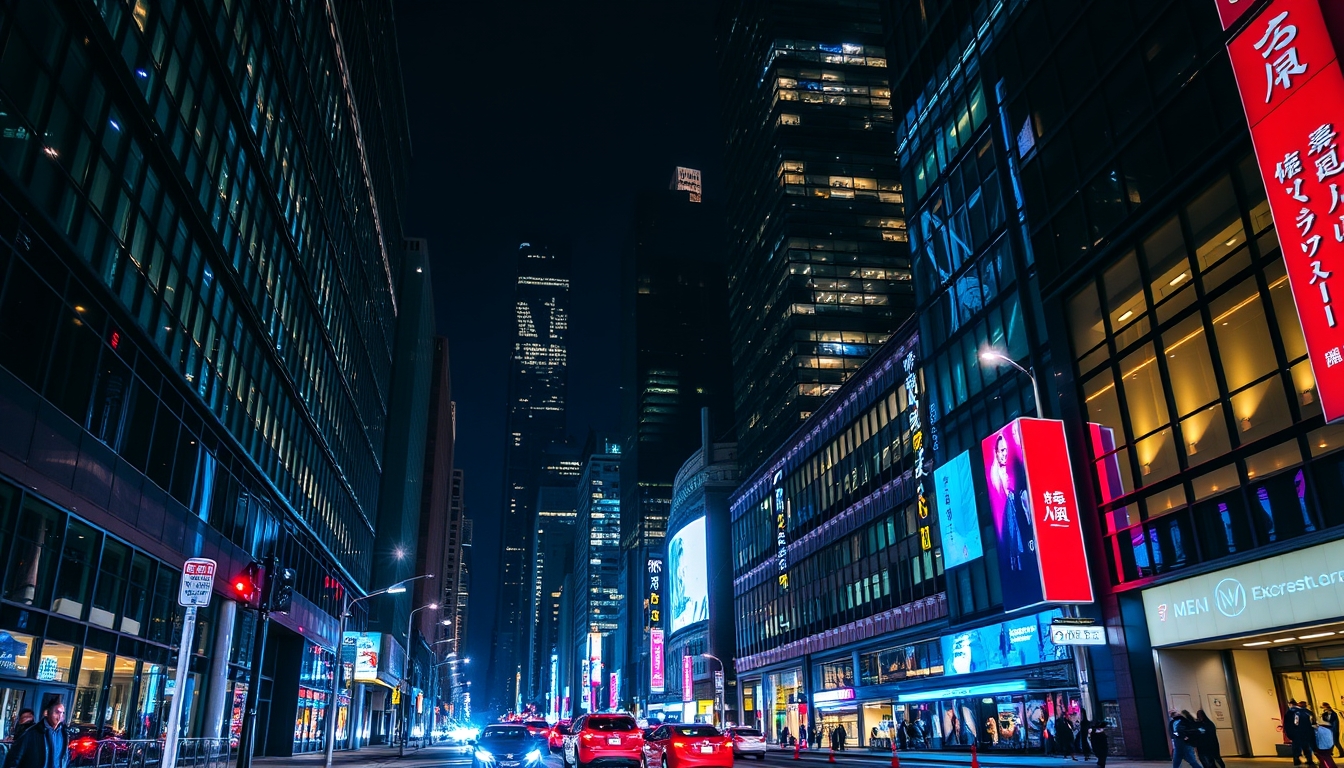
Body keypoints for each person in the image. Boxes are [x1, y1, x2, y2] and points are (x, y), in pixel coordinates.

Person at [5, 698, 67, 768]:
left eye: (62, 713)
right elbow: (13, 759)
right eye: (57, 712)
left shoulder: (63, 734)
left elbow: (63, 758)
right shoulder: (31, 733)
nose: (60, 716)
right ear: (46, 713)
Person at [1289, 701, 1318, 767]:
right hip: (1309, 732)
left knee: (1296, 747)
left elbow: (1296, 723)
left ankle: (1297, 760)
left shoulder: (1297, 713)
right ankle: (1309, 760)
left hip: (1299, 732)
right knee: (1307, 746)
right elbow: (1313, 722)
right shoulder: (1309, 712)